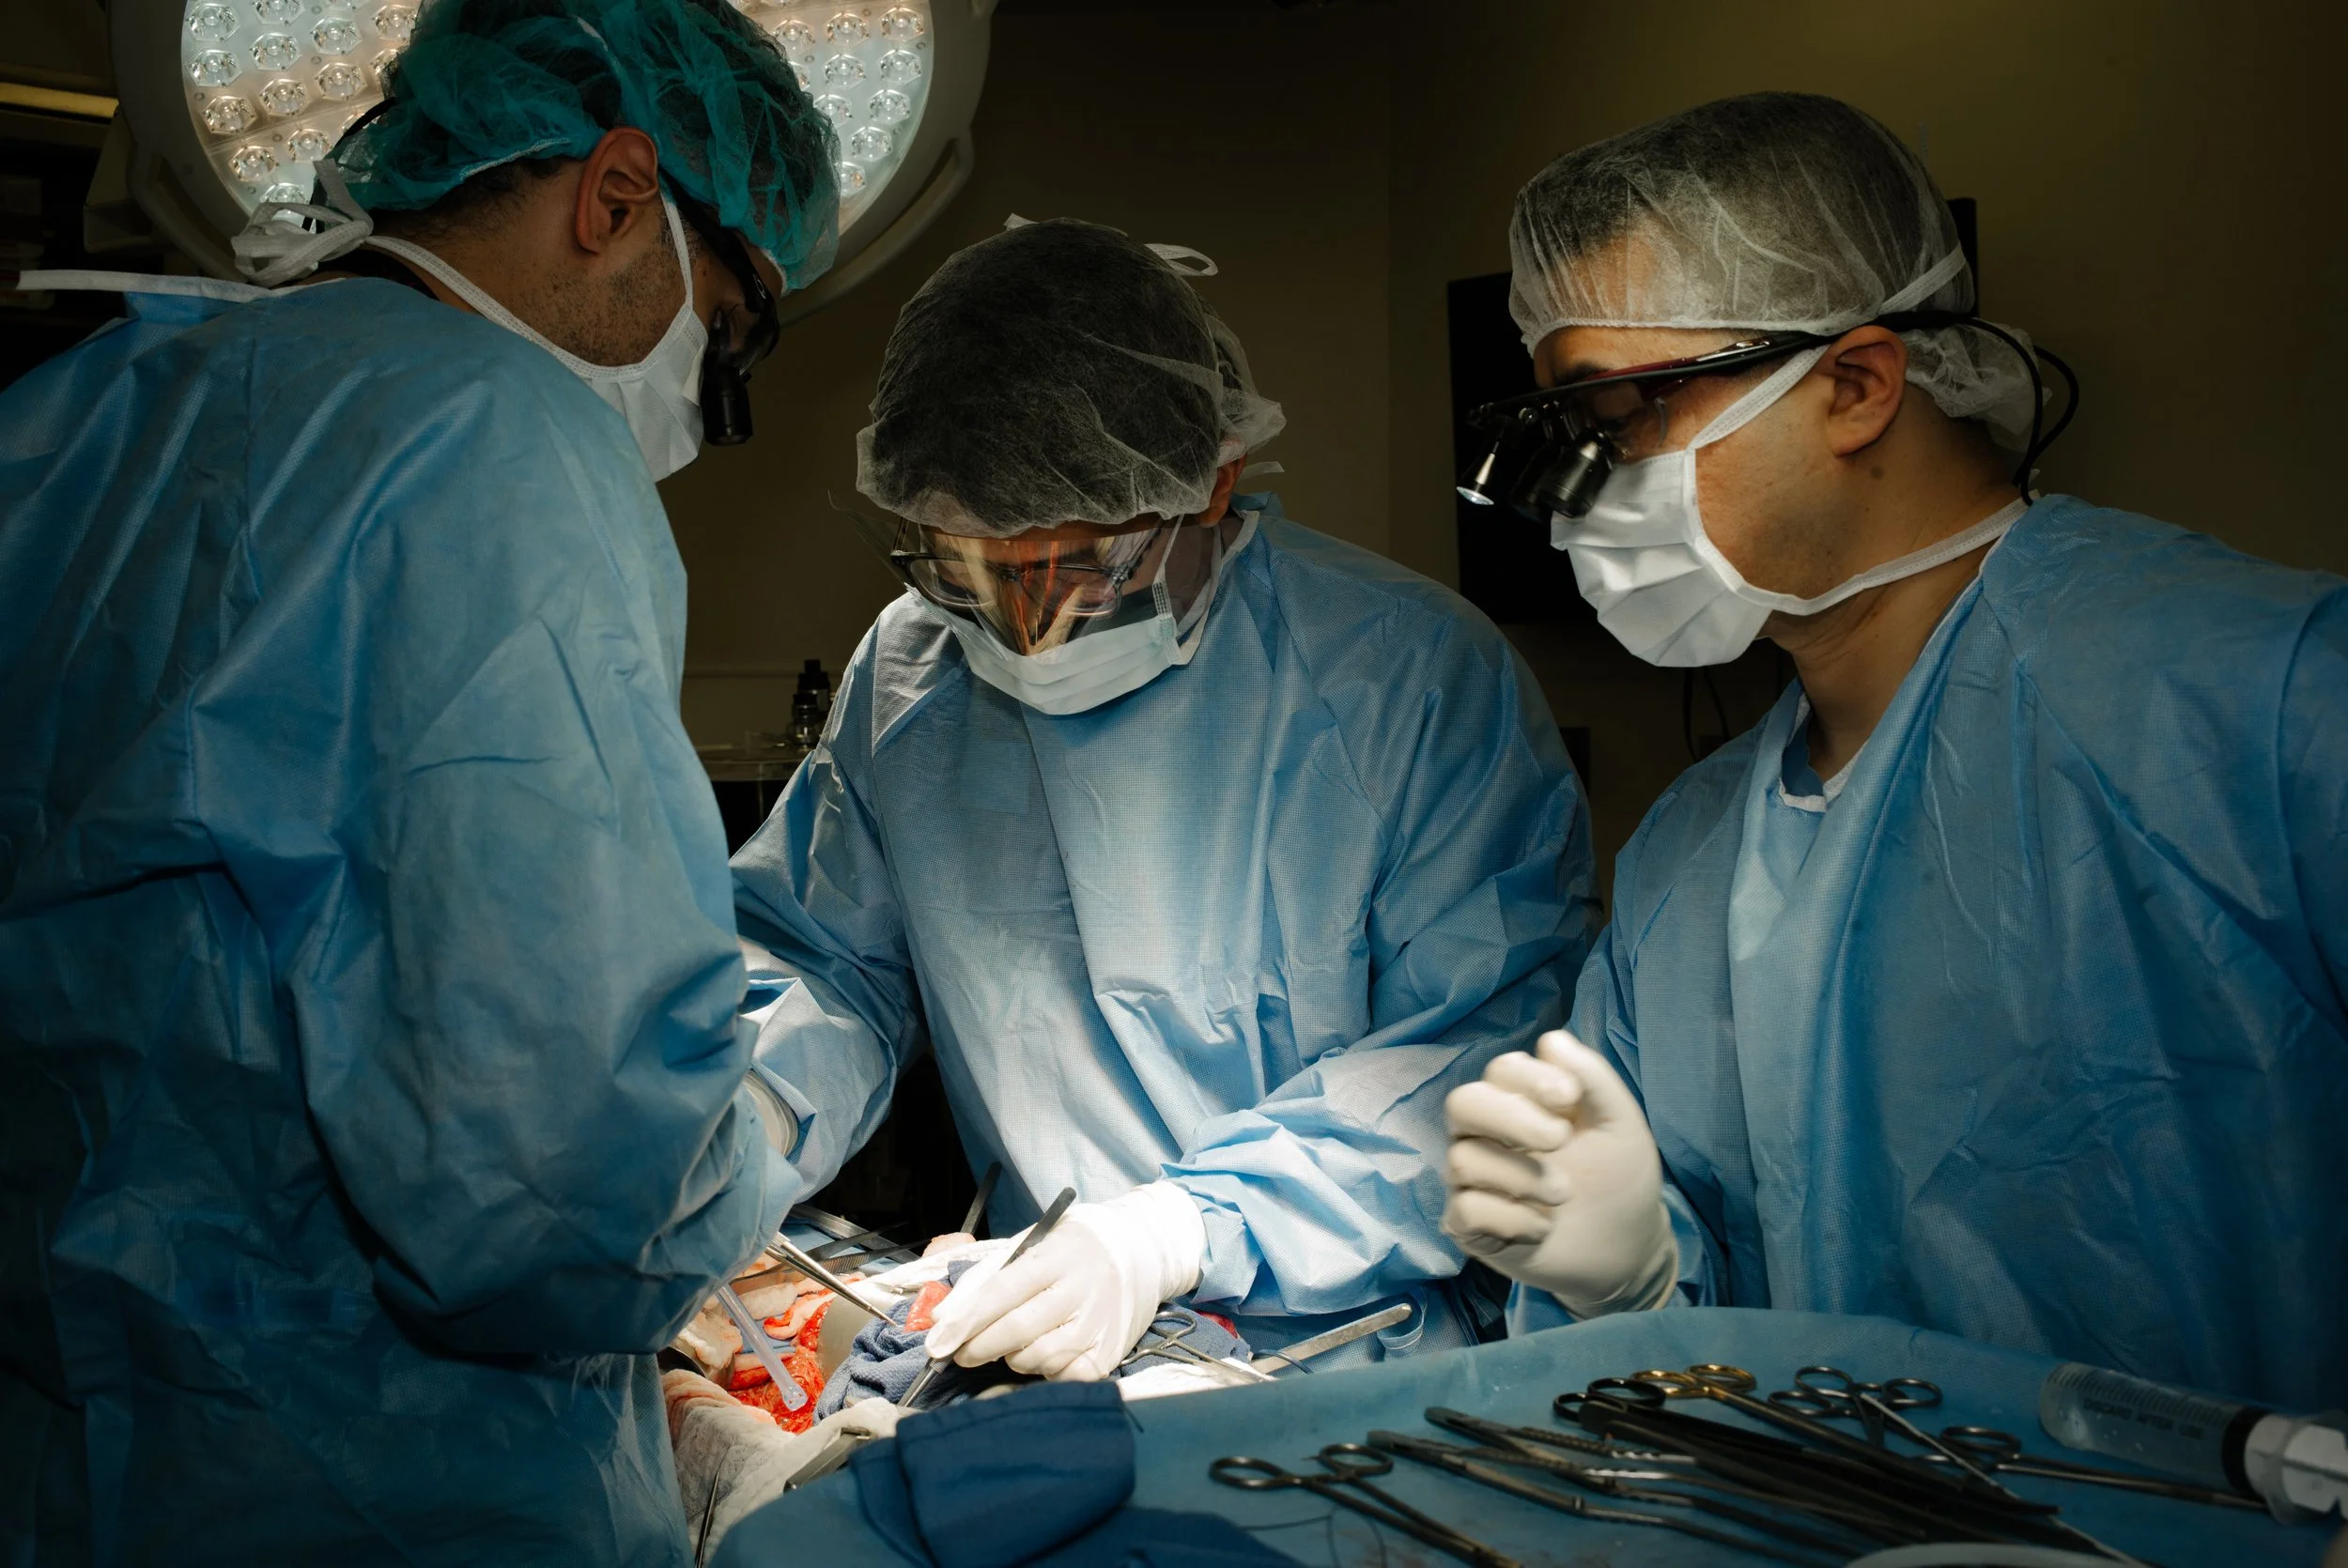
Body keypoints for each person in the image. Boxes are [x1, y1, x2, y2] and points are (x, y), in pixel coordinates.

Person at [0, 0, 837, 1560]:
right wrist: (769, 1117)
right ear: (613, 197)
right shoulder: (494, 444)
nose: (710, 401)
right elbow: (558, 1191)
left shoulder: (75, 413)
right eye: (728, 325)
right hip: (367, 1486)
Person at [1438, 92, 2348, 1407]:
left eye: (1622, 412)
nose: (1582, 486)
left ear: (1857, 384)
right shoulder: (1694, 855)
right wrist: (1636, 1283)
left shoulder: (2264, 702)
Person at [733, 217, 1599, 1380]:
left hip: (1350, 1358)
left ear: (1213, 486)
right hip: (1040, 1325)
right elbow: (825, 961)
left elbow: (1478, 1054)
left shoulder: (1404, 677)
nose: (1019, 628)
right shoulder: (908, 677)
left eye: (1077, 570)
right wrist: (747, 1116)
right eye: (968, 570)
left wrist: (1172, 1231)